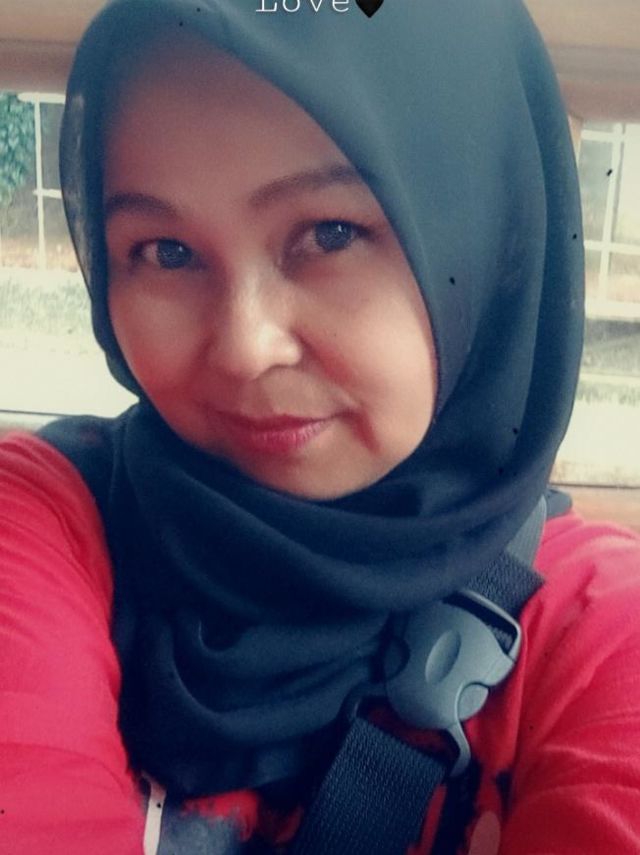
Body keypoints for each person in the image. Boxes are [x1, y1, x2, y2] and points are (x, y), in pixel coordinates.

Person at [1, 0, 639, 852]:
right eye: (164, 251)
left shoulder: (600, 635)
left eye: (330, 234)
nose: (245, 347)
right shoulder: (44, 520)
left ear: (494, 239)